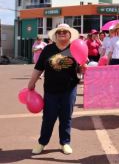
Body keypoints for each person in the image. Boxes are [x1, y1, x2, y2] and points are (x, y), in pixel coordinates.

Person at [27, 23, 82, 155]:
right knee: (48, 118)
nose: (62, 33)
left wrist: (83, 68)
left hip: (69, 89)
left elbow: (81, 68)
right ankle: (42, 142)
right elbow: (39, 67)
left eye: (65, 31)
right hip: (51, 90)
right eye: (59, 32)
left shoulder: (75, 49)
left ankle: (65, 142)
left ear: (69, 34)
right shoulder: (48, 49)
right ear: (56, 35)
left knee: (66, 117)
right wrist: (31, 83)